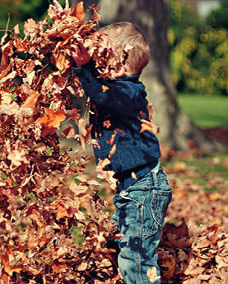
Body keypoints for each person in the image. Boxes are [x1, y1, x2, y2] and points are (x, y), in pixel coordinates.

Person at [71, 22, 172, 284]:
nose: (99, 66)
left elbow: (104, 95)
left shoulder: (130, 92)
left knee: (136, 259)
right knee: (120, 245)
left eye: (105, 59)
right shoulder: (117, 90)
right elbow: (99, 90)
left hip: (144, 189)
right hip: (131, 189)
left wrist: (84, 68)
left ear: (122, 65)